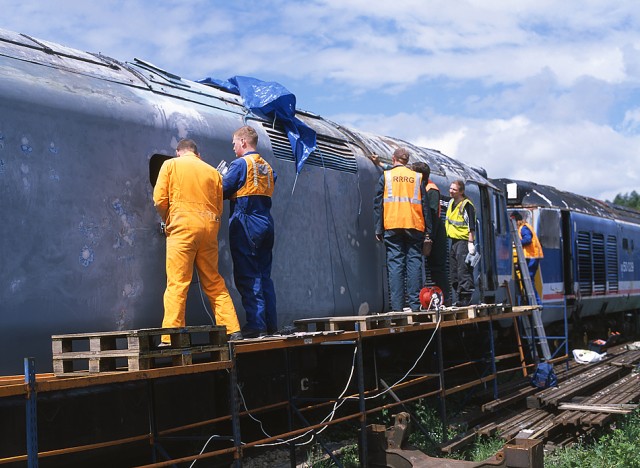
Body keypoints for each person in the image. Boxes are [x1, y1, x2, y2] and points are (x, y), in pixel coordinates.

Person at [153, 139, 241, 345]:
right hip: (209, 229)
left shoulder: (171, 165)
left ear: (178, 152)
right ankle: (233, 329)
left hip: (182, 228)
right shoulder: (213, 173)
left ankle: (172, 335)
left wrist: (168, 219)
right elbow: (219, 207)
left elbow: (159, 199)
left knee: (178, 282)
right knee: (213, 281)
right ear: (197, 154)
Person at [223, 126, 277, 338]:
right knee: (264, 276)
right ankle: (270, 324)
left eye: (235, 143)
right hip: (265, 221)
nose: (234, 147)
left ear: (244, 142)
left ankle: (256, 325)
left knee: (248, 274)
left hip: (246, 222)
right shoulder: (267, 166)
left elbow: (222, 189)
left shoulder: (240, 164)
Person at [374, 147, 432, 311]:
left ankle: (398, 307)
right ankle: (415, 305)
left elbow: (378, 204)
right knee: (414, 263)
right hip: (414, 224)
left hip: (392, 224)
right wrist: (428, 231)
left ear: (393, 159)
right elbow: (425, 206)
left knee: (395, 265)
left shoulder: (386, 176)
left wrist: (378, 229)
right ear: (407, 161)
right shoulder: (417, 177)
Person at [410, 162, 448, 301]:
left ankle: (444, 298)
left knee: (437, 267)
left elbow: (432, 216)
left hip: (435, 234)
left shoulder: (430, 189)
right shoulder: (423, 187)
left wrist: (428, 237)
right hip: (431, 232)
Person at [445, 180, 477, 306]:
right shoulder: (451, 202)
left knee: (463, 270)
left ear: (461, 191)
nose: (451, 191)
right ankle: (459, 296)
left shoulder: (466, 205)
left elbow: (471, 226)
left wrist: (470, 243)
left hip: (463, 242)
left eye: (454, 189)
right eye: (450, 188)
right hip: (454, 241)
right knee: (454, 271)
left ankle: (465, 298)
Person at [511, 211, 544, 304]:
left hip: (531, 256)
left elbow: (528, 239)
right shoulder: (524, 227)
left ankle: (536, 302)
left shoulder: (524, 228)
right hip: (531, 256)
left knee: (529, 280)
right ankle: (533, 301)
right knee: (528, 280)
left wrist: (517, 243)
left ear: (517, 221)